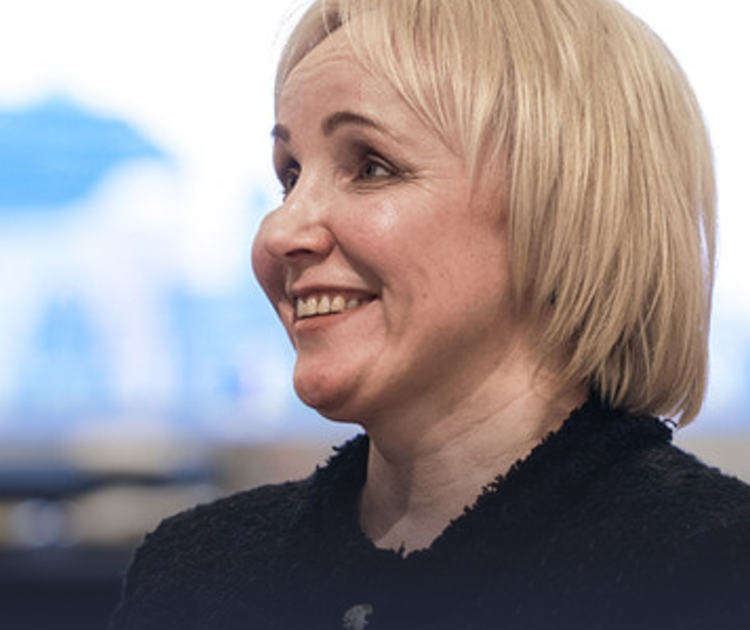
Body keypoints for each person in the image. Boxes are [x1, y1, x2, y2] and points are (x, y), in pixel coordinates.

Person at [109, 1, 750, 628]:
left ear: (568, 212)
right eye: (290, 175)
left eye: (371, 167)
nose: (280, 231)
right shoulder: (194, 572)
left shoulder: (714, 570)